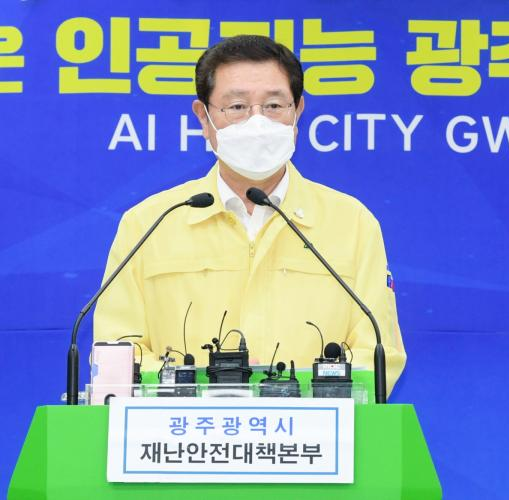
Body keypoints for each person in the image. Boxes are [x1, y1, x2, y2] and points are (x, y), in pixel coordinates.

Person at [93, 35, 406, 396]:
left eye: (274, 105)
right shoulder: (150, 223)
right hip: (183, 430)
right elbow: (118, 352)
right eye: (237, 107)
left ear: (298, 111)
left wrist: (288, 402)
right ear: (204, 117)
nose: (257, 122)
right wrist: (212, 399)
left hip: (311, 430)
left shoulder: (352, 224)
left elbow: (377, 355)